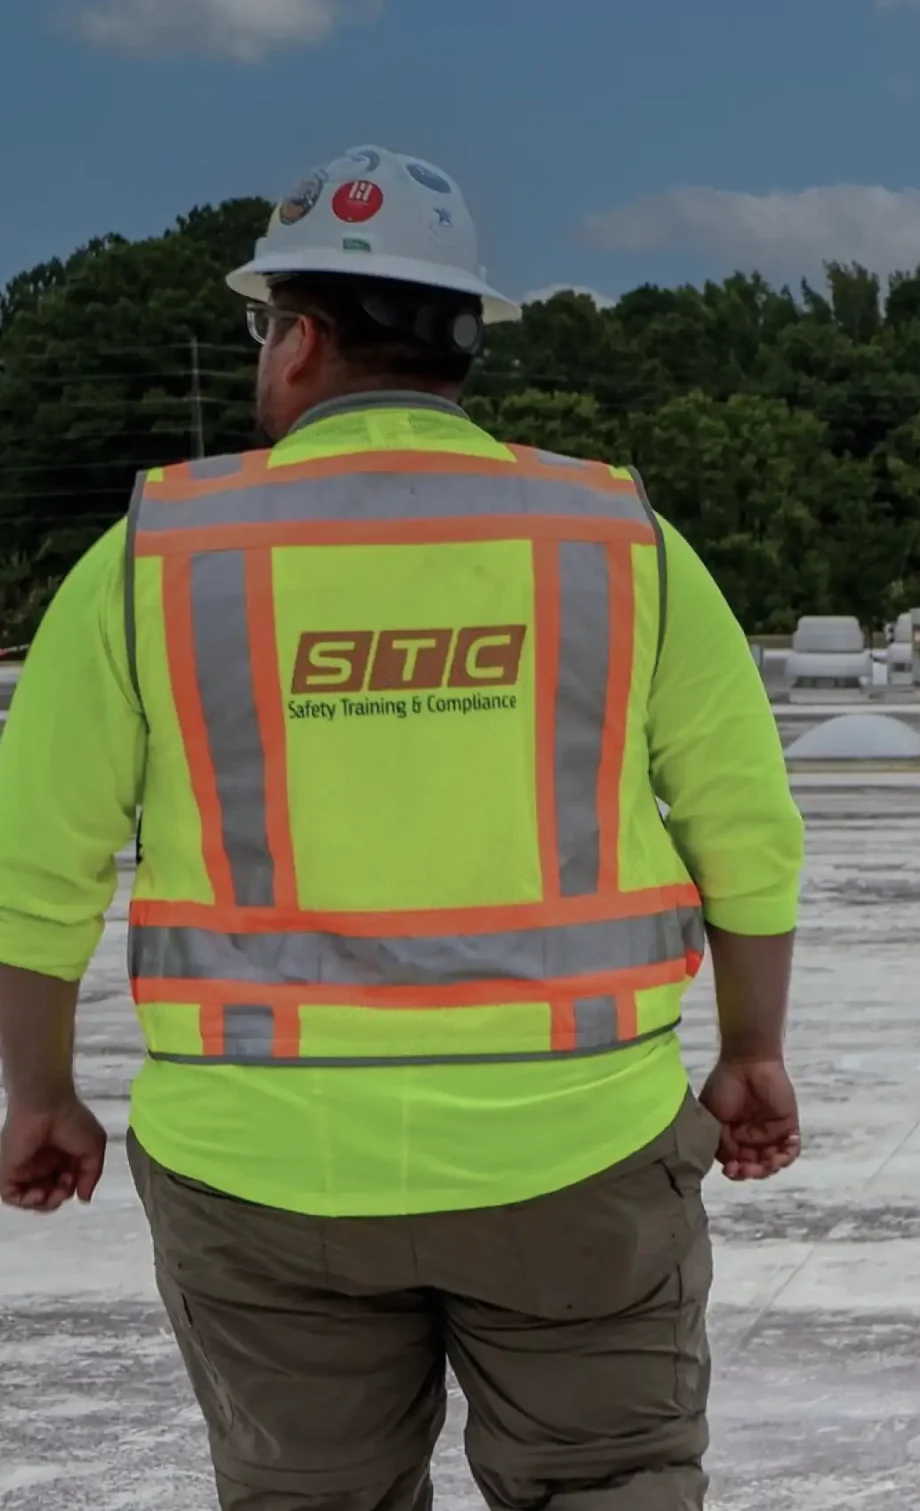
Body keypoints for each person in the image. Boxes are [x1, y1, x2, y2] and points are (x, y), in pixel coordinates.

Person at [0, 145, 807, 1511]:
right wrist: (751, 1054)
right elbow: (748, 831)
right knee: (613, 1483)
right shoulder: (620, 543)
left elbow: (37, 869)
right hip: (577, 1155)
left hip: (262, 1174)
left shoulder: (153, 559)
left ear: (302, 338)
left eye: (266, 331)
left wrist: (39, 1092)